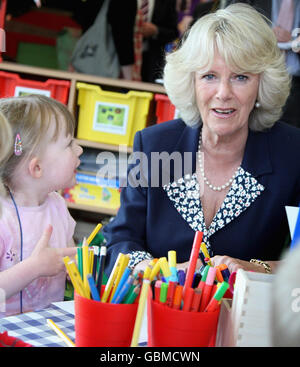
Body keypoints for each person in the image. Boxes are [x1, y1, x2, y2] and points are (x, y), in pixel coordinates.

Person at [102, 3, 300, 277]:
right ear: (191, 82)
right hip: (160, 310)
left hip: (250, 316)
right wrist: (160, 271)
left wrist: (257, 269)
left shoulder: (293, 154)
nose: (223, 93)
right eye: (210, 76)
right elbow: (121, 240)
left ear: (262, 84)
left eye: (241, 77)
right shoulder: (154, 146)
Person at [0, 95, 81, 316]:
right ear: (36, 168)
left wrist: (79, 266)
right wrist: (34, 268)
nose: (80, 150)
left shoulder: (57, 206)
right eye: (69, 144)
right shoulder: (2, 219)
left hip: (46, 331)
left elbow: (70, 259)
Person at [229, 0, 300, 128]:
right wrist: (263, 37)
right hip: (257, 77)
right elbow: (231, 28)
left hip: (296, 82)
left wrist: (294, 42)